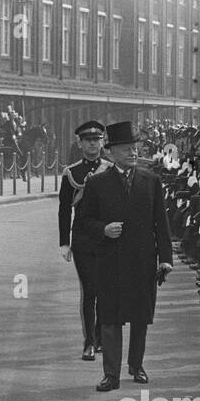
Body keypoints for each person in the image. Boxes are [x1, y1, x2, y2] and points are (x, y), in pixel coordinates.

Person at [73, 121, 173, 392]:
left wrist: (165, 258)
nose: (133, 153)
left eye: (135, 148)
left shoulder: (151, 181)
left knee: (140, 316)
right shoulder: (96, 184)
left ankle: (136, 365)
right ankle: (111, 374)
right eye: (127, 149)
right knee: (110, 318)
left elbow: (161, 225)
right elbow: (83, 221)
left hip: (142, 260)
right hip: (110, 260)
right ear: (111, 153)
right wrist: (103, 229)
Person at [58, 120, 112, 360]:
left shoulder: (111, 169)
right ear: (80, 143)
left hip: (107, 237)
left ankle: (100, 337)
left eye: (97, 139)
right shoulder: (72, 172)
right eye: (88, 140)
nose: (93, 144)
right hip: (82, 238)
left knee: (104, 288)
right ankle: (89, 341)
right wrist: (64, 241)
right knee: (89, 290)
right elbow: (64, 210)